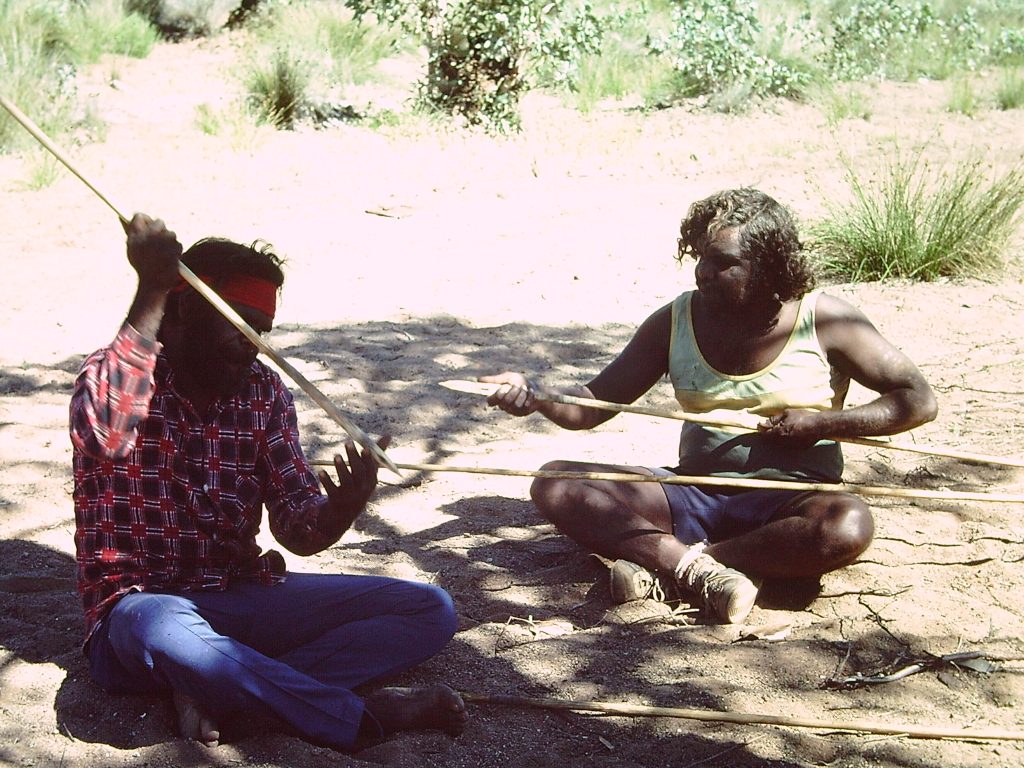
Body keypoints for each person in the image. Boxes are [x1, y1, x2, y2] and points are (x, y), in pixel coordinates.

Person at [70, 214, 468, 750]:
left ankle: (215, 687)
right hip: (142, 612)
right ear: (186, 307)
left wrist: (341, 508)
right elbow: (107, 437)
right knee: (156, 623)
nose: (253, 344)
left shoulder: (263, 392)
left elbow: (298, 531)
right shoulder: (116, 371)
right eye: (239, 324)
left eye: (263, 330)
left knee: (429, 609)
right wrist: (152, 285)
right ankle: (351, 717)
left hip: (238, 600)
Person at [481, 188, 937, 624]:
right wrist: (536, 395)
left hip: (789, 503)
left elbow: (917, 400)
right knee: (556, 482)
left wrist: (824, 422)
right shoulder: (676, 319)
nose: (702, 272)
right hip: (693, 493)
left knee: (847, 526)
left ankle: (680, 564)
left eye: (723, 263)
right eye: (700, 256)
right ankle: (701, 571)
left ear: (769, 267)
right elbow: (593, 406)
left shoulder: (827, 320)